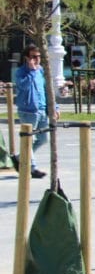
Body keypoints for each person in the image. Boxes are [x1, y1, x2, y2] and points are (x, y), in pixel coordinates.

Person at [14, 44, 54, 179]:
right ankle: (32, 168)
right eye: (34, 57)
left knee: (43, 139)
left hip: (42, 110)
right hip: (28, 111)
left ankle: (20, 157)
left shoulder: (41, 70)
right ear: (27, 58)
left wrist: (54, 107)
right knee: (28, 139)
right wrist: (31, 71)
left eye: (39, 56)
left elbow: (47, 90)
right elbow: (23, 86)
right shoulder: (21, 72)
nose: (37, 59)